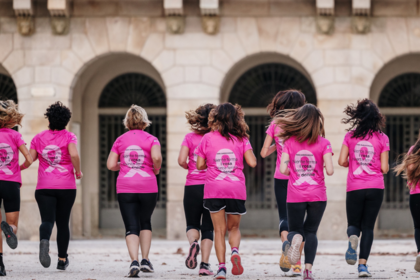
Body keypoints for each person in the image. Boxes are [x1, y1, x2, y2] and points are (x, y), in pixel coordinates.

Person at [196, 103, 257, 280]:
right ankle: (235, 251)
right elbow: (252, 162)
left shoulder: (207, 138)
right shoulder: (242, 138)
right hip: (235, 188)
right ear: (236, 118)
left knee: (219, 230)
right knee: (234, 227)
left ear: (215, 118)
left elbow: (200, 165)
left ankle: (221, 268)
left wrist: (212, 162)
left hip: (214, 188)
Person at [277, 104, 334, 280]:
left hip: (295, 194)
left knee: (295, 229)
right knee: (311, 231)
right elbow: (330, 171)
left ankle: (294, 240)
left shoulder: (290, 142)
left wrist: (292, 165)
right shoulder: (324, 143)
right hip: (317, 195)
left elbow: (283, 170)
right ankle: (308, 270)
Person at [107, 105, 162, 278]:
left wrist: (122, 165)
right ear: (144, 122)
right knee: (145, 222)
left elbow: (110, 165)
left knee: (131, 226)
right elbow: (157, 157)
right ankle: (145, 259)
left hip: (126, 187)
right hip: (148, 186)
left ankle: (134, 262)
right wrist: (156, 168)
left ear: (127, 122)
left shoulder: (119, 140)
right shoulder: (152, 139)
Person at [338, 99, 389, 278]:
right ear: (376, 116)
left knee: (353, 224)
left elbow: (341, 161)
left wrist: (353, 162)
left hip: (355, 187)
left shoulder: (350, 136)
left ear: (358, 116)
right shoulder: (382, 138)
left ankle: (353, 239)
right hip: (375, 187)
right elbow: (384, 168)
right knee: (368, 227)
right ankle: (363, 267)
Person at [29, 101, 82, 271]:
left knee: (47, 220)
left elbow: (30, 159)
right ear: (66, 121)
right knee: (63, 222)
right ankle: (61, 259)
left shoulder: (38, 138)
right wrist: (78, 171)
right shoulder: (69, 136)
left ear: (49, 119)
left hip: (44, 187)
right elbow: (74, 153)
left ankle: (44, 240)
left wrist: (18, 167)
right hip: (66, 186)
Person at [260, 90, 306, 276]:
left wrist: (278, 146)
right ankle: (296, 265)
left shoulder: (275, 124)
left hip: (281, 178)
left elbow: (263, 153)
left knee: (284, 219)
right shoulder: (304, 123)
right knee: (299, 223)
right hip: (302, 178)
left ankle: (286, 244)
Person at [178, 103, 216, 276]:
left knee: (192, 224)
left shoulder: (189, 137)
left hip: (192, 186)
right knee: (208, 227)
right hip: (212, 186)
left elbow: (181, 160)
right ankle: (204, 265)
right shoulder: (216, 137)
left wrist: (190, 167)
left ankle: (194, 243)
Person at [0, 100, 33, 276]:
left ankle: (0, 265)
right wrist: (19, 168)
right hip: (11, 183)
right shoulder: (15, 135)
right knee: (12, 224)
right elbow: (28, 159)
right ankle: (9, 230)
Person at [394, 131, 420, 272]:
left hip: (416, 195)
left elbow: (410, 171)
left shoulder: (413, 150)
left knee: (418, 227)